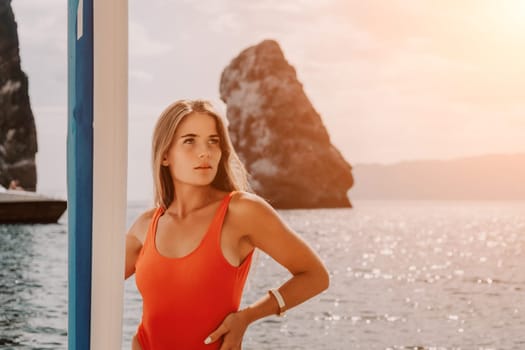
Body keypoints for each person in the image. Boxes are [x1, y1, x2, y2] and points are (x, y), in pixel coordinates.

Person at [125, 99, 330, 350]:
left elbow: (315, 276)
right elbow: (93, 283)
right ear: (165, 154)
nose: (205, 152)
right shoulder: (145, 226)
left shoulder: (241, 212)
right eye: (190, 141)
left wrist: (246, 317)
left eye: (213, 140)